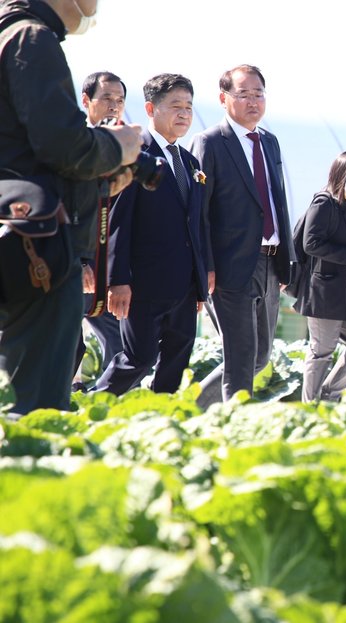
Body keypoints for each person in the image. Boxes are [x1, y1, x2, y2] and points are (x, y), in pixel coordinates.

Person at [0, 0, 142, 415]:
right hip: (39, 241)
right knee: (40, 398)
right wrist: (119, 146)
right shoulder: (31, 36)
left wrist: (101, 178)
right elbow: (63, 146)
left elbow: (29, 154)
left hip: (20, 232)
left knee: (23, 384)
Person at [93, 73, 209, 395]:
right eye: (175, 106)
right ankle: (94, 403)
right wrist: (117, 280)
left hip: (184, 285)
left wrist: (201, 279)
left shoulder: (190, 161)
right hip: (143, 284)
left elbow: (197, 225)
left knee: (177, 359)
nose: (184, 113)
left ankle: (161, 420)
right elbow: (118, 222)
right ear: (150, 108)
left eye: (188, 106)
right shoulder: (135, 154)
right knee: (138, 358)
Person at [190, 64, 294, 405]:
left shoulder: (270, 142)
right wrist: (204, 266)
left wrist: (284, 260)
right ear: (224, 99)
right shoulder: (209, 143)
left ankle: (191, 409)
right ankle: (232, 431)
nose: (253, 101)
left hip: (269, 262)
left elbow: (277, 202)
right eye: (244, 94)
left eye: (259, 94)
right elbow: (199, 212)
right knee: (240, 356)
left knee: (260, 356)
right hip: (229, 267)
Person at [294, 152, 346, 402]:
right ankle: (310, 408)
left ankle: (329, 396)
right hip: (325, 292)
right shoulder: (324, 203)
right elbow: (311, 243)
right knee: (321, 352)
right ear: (340, 174)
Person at [73, 70, 128, 385]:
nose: (113, 106)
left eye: (119, 100)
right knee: (68, 346)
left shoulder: (128, 149)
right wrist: (80, 262)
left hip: (111, 271)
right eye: (106, 98)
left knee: (122, 347)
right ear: (86, 101)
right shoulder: (73, 147)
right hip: (73, 266)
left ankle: (102, 409)